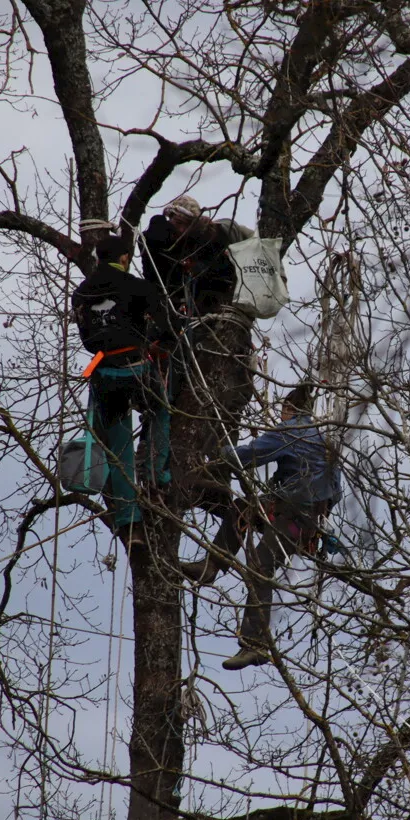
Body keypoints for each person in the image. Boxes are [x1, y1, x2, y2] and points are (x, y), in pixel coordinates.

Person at [183, 383, 343, 670]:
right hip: (304, 520)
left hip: (293, 518)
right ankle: (211, 565)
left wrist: (217, 453)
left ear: (289, 409)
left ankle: (255, 645)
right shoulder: (325, 442)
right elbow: (336, 492)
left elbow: (249, 454)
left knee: (260, 567)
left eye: (282, 411)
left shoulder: (290, 431)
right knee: (241, 508)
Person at [72, 233, 177, 547]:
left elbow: (88, 338)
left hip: (104, 372)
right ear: (124, 258)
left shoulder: (81, 293)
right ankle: (158, 474)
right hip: (136, 367)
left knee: (119, 447)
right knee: (160, 409)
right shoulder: (138, 286)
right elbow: (167, 327)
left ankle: (130, 524)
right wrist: (160, 342)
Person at [141, 194, 254, 318]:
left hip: (206, 309)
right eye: (178, 223)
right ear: (170, 217)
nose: (182, 229)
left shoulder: (206, 240)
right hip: (166, 306)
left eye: (187, 225)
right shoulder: (157, 236)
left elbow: (223, 269)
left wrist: (198, 267)